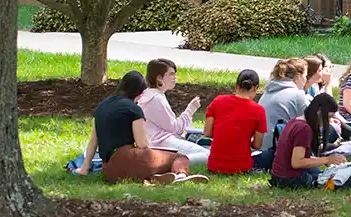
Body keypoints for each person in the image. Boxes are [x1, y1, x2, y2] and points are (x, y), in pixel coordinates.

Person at [78, 71, 207, 184]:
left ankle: (156, 177)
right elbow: (142, 144)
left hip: (108, 170)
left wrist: (84, 169)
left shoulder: (102, 106)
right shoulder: (134, 109)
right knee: (179, 157)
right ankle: (181, 175)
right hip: (127, 159)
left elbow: (93, 141)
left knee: (152, 163)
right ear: (139, 92)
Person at [138, 58, 210, 165]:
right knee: (209, 155)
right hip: (162, 143)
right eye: (171, 74)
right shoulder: (156, 98)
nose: (174, 77)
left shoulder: (148, 94)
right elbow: (175, 129)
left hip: (156, 142)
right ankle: (176, 162)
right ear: (159, 78)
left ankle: (173, 160)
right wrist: (190, 110)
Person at [270, 94, 347, 189]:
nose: (329, 120)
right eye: (329, 117)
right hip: (289, 179)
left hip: (277, 176)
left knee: (318, 171)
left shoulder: (294, 121)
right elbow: (297, 162)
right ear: (319, 112)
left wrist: (322, 160)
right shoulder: (304, 129)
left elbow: (297, 157)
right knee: (332, 179)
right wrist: (327, 159)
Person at [204, 69, 268, 174]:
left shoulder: (218, 101)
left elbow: (207, 133)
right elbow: (257, 145)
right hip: (241, 167)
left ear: (236, 86)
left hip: (214, 165)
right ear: (256, 88)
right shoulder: (259, 110)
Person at [259, 58, 309, 149]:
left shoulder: (267, 91)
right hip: (277, 150)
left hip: (260, 146)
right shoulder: (297, 94)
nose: (306, 80)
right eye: (305, 76)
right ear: (298, 76)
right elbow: (309, 123)